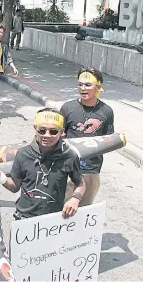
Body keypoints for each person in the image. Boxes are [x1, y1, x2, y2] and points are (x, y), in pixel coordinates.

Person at [0, 108, 86, 220]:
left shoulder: (69, 156)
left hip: (54, 219)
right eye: (42, 130)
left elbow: (80, 184)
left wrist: (75, 199)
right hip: (24, 218)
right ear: (35, 129)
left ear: (61, 132)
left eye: (53, 131)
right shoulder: (23, 154)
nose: (47, 135)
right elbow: (15, 186)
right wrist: (0, 177)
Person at [61, 68, 114, 206]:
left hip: (92, 170)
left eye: (88, 85)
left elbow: (107, 141)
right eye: (80, 84)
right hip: (68, 169)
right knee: (63, 210)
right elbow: (59, 137)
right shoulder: (68, 108)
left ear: (98, 87)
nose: (83, 88)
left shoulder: (107, 111)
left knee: (84, 212)